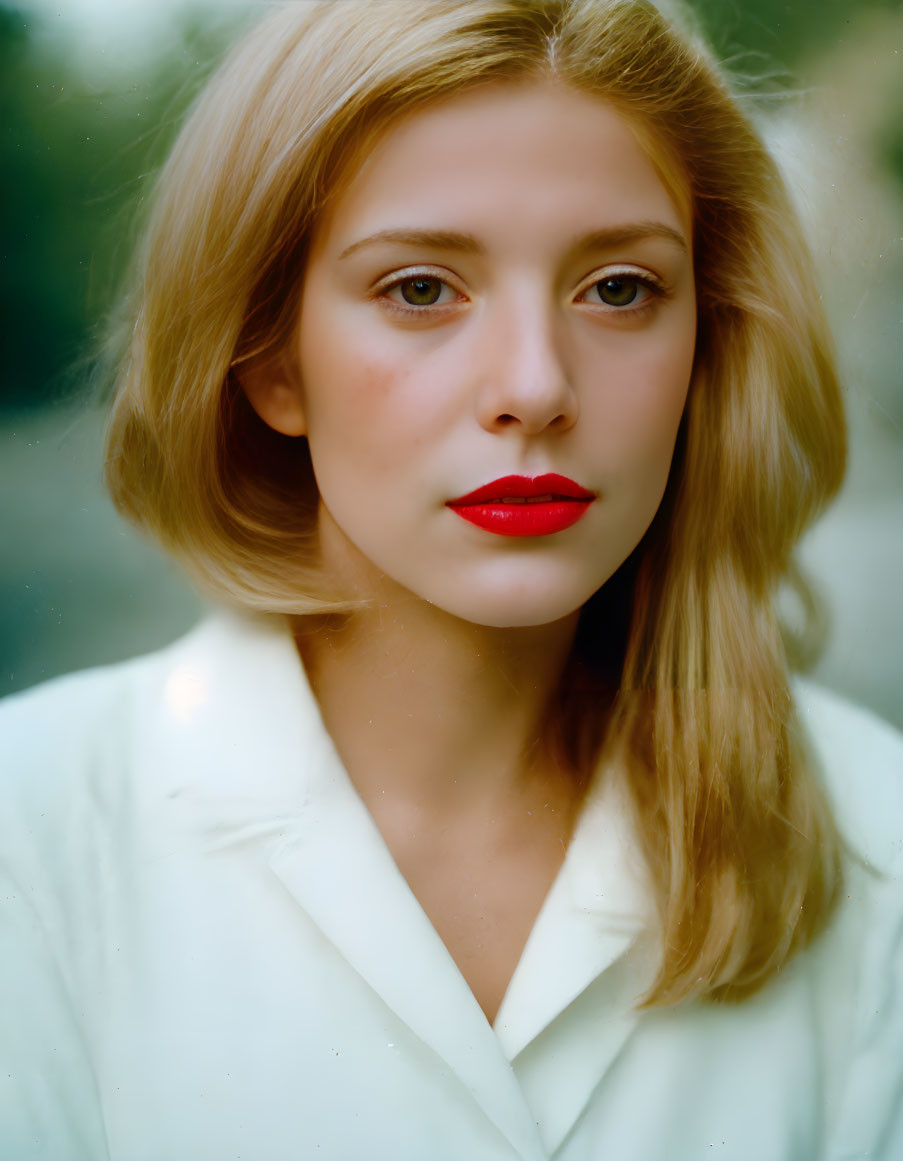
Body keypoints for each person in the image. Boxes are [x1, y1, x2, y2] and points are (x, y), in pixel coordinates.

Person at [1, 0, 901, 1157]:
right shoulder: (30, 838)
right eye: (421, 288)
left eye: (619, 288)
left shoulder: (872, 839)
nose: (534, 384)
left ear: (709, 344)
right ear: (270, 360)